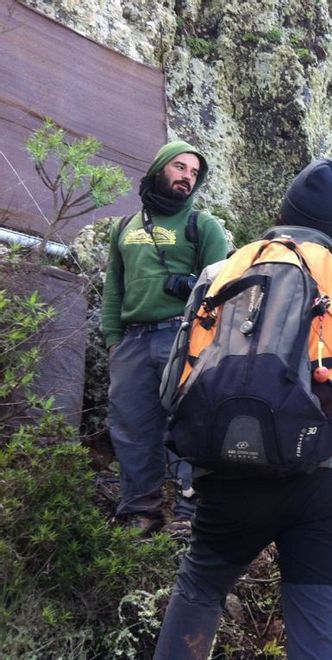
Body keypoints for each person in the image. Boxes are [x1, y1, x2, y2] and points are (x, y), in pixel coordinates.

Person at [153, 157, 332, 659]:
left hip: (229, 474)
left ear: (284, 210)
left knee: (199, 591)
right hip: (329, 479)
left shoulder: (221, 273)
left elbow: (172, 389)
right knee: (319, 623)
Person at [101, 140, 229, 537]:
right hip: (133, 341)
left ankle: (192, 510)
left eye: (194, 173)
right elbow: (113, 289)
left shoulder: (202, 226)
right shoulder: (124, 228)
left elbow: (222, 290)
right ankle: (141, 511)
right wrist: (113, 341)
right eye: (180, 167)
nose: (187, 177)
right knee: (130, 425)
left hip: (183, 335)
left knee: (191, 422)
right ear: (159, 168)